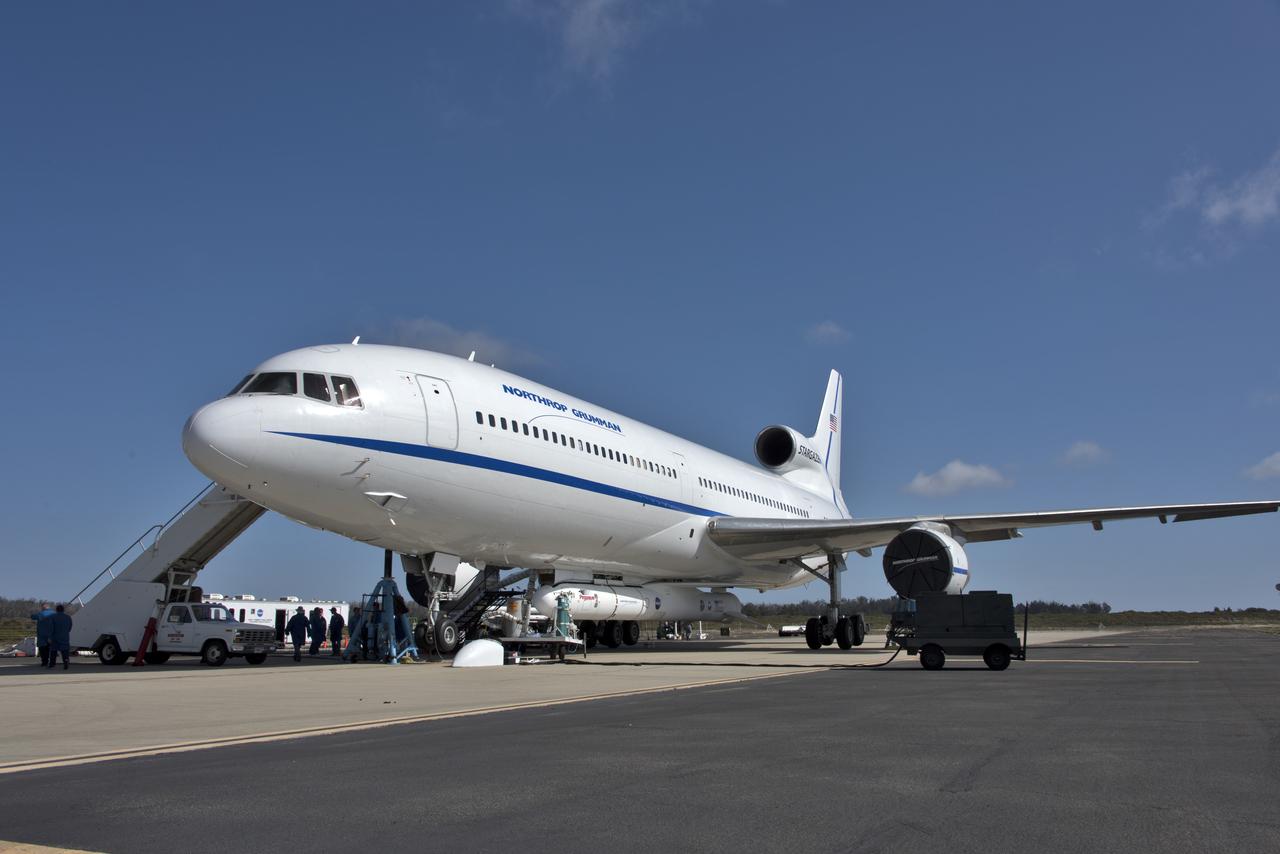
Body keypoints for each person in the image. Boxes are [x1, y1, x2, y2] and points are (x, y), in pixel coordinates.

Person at [29, 603, 54, 668]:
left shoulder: (41, 614)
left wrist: (32, 613)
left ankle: (44, 662)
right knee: (52, 649)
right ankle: (52, 662)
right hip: (52, 634)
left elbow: (33, 617)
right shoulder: (54, 613)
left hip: (42, 634)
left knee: (43, 649)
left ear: (43, 608)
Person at [49, 604, 73, 670]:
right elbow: (70, 627)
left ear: (56, 610)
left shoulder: (53, 617)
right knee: (65, 651)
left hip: (55, 637)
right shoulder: (68, 617)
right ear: (63, 610)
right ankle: (66, 662)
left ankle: (52, 664)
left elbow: (51, 628)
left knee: (53, 651)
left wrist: (50, 637)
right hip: (65, 636)